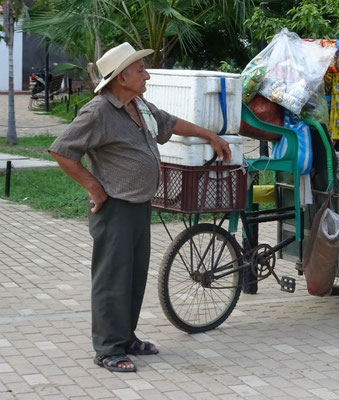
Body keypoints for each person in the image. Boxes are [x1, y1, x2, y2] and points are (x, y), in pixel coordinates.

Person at [49, 42, 231, 373]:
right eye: (140, 70)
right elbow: (62, 151)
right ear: (120, 77)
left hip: (138, 204)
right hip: (115, 208)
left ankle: (125, 337)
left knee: (133, 277)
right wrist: (94, 187)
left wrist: (209, 136)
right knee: (112, 279)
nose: (146, 74)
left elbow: (170, 122)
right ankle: (107, 348)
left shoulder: (138, 105)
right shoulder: (98, 112)